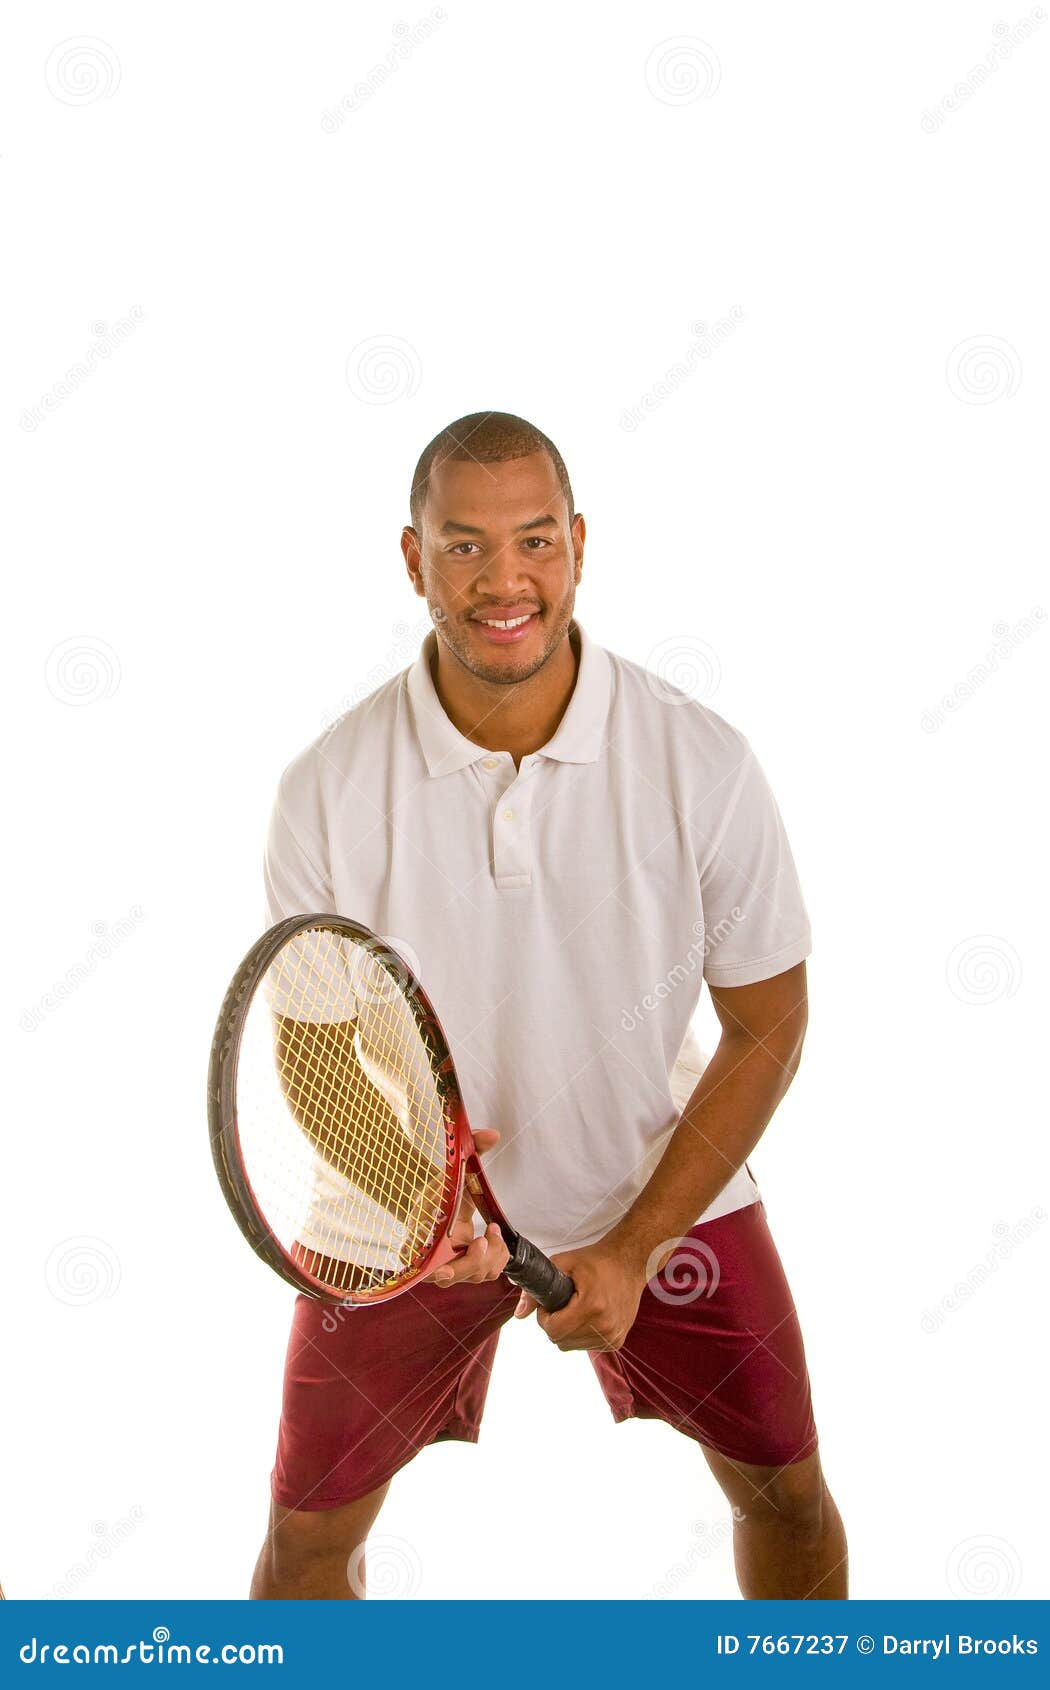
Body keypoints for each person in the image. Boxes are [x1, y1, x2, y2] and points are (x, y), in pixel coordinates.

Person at [251, 412, 846, 1600]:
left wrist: (635, 1244)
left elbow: (767, 1023)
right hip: (399, 1217)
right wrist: (429, 1202)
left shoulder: (700, 760)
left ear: (577, 545)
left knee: (783, 1485)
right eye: (463, 547)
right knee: (309, 1540)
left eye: (533, 540)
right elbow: (314, 1051)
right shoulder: (324, 788)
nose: (503, 579)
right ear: (414, 560)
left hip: (656, 1180)